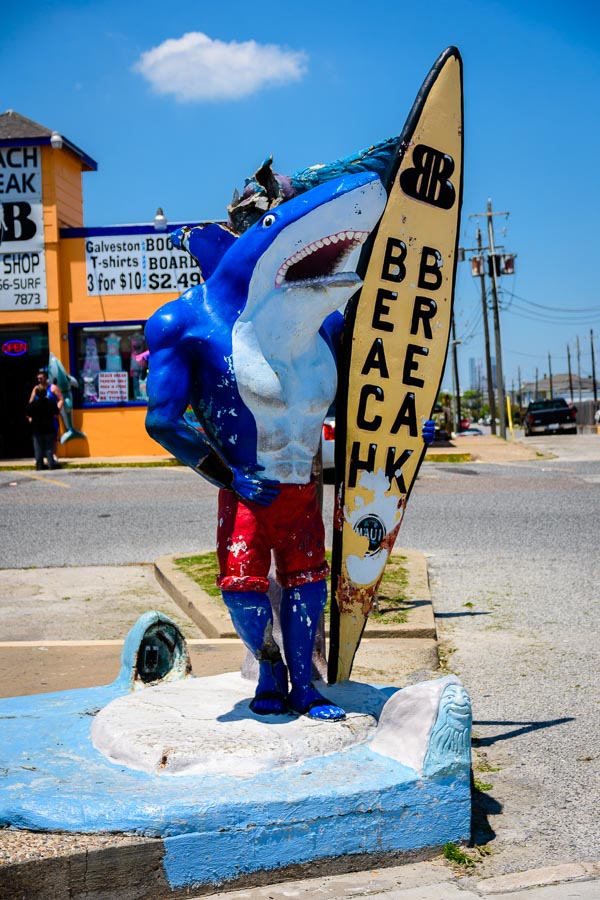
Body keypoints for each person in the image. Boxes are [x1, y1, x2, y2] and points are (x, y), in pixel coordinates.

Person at [28, 385, 60, 470]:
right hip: (49, 428)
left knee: (38, 449)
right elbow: (56, 413)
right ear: (46, 393)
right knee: (49, 448)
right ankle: (51, 464)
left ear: (37, 394)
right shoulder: (51, 402)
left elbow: (28, 414)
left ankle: (40, 465)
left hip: (37, 429)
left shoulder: (34, 404)